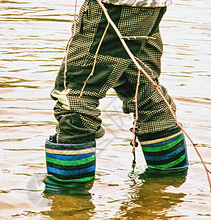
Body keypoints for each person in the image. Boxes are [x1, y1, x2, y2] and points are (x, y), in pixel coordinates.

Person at [44, 0, 188, 191]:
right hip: (147, 5)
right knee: (143, 90)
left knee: (74, 98)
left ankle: (69, 204)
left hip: (117, 5)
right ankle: (166, 190)